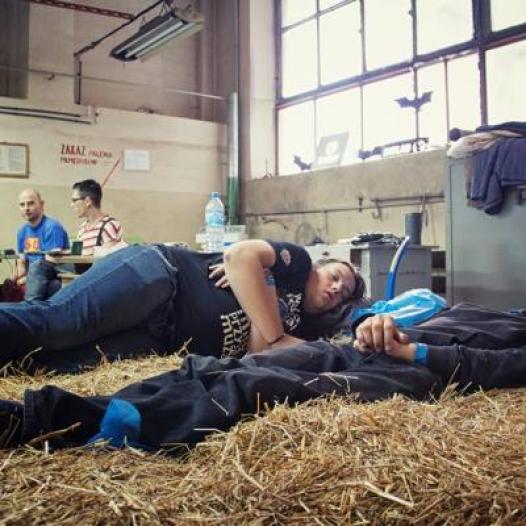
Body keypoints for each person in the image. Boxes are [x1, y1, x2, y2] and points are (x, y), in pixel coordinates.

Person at [1, 301, 526, 451]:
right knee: (224, 366)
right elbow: (382, 308)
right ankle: (48, 411)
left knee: (254, 388)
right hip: (364, 347)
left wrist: (413, 351)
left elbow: (490, 369)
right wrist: (371, 323)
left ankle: (53, 424)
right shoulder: (476, 305)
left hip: (414, 374)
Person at [0, 239, 365, 372]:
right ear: (321, 265)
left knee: (55, 363)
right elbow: (240, 256)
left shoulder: (308, 331)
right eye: (335, 276)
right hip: (164, 278)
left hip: (162, 337)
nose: (336, 288)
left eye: (344, 292)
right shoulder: (297, 263)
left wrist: (262, 290)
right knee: (57, 325)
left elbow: (257, 355)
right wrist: (276, 334)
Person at [25, 179, 123, 300]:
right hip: (77, 271)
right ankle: (33, 307)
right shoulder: (83, 228)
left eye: (74, 200)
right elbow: (79, 254)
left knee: (39, 269)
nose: (71, 205)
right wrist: (63, 253)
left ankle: (29, 308)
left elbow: (112, 262)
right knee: (49, 282)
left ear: (87, 201)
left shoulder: (109, 225)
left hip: (91, 276)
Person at [14, 188, 70, 301]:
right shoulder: (22, 231)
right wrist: (16, 276)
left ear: (41, 204)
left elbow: (52, 260)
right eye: (22, 204)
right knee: (9, 283)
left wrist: (28, 278)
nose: (26, 208)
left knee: (51, 283)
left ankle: (28, 308)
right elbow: (21, 259)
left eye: (30, 203)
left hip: (53, 273)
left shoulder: (52, 227)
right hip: (34, 276)